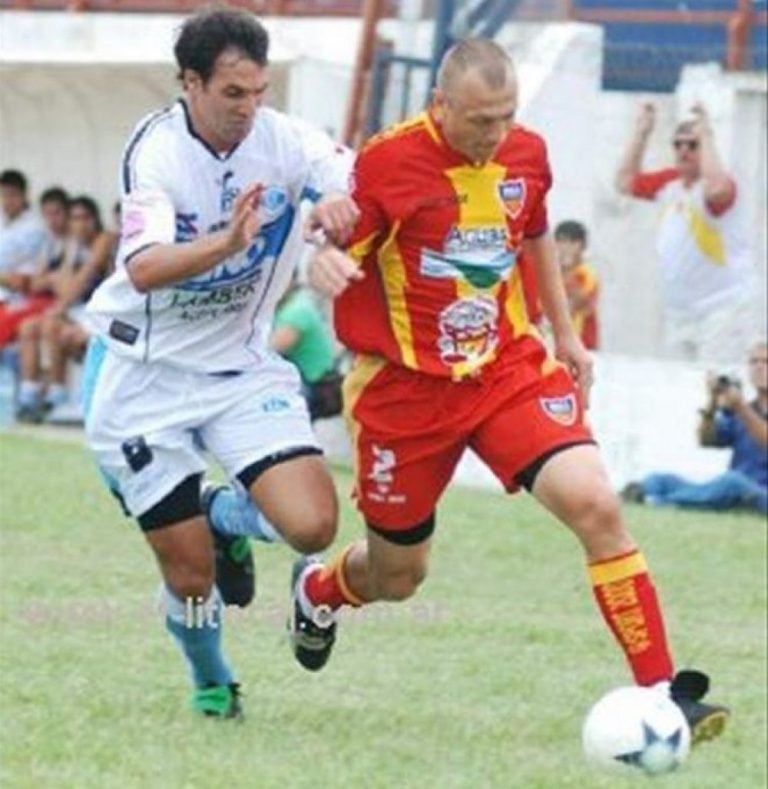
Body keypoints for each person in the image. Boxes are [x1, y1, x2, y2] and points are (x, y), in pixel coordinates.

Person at [294, 39, 728, 745]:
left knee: (596, 502)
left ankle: (662, 694)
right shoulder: (389, 160)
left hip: (505, 369)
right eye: (479, 121)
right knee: (399, 574)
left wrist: (568, 335)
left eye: (505, 117)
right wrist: (324, 263)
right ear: (441, 106)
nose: (495, 135)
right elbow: (341, 241)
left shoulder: (525, 153)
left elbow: (533, 237)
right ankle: (319, 591)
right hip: (404, 391)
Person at [81, 7, 357, 719]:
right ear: (192, 83)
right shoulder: (156, 151)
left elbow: (345, 178)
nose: (248, 109)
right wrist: (227, 244)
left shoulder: (285, 141)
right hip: (147, 380)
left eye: (259, 92)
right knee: (193, 577)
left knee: (314, 527)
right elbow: (143, 268)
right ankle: (212, 678)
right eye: (233, 93)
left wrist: (335, 208)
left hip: (240, 370)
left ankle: (226, 514)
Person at [615, 102, 755, 364]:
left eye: (692, 145)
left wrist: (708, 135)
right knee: (679, 387)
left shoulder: (717, 186)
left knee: (716, 383)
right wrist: (641, 133)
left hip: (722, 309)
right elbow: (624, 182)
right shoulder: (670, 184)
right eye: (678, 144)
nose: (683, 151)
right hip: (680, 313)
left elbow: (717, 189)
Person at [622, 341, 767, 514]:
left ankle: (660, 501)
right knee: (661, 479)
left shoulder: (742, 409)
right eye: (754, 362)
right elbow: (706, 440)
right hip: (731, 489)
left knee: (732, 482)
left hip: (758, 493)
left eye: (766, 362)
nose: (759, 367)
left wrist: (741, 407)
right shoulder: (743, 409)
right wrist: (712, 402)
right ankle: (642, 492)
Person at [16, 196, 113, 422]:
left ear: (95, 219)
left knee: (52, 325)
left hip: (99, 311)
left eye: (84, 218)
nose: (79, 224)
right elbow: (41, 283)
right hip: (79, 309)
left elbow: (78, 283)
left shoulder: (104, 240)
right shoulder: (70, 245)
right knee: (28, 327)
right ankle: (29, 395)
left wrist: (59, 302)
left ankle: (57, 394)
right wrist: (67, 259)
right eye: (74, 219)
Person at [0, 187, 72, 350]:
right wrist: (49, 280)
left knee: (9, 321)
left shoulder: (72, 241)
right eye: (47, 214)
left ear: (68, 212)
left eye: (57, 213)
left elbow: (64, 282)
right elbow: (36, 282)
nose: (52, 220)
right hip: (38, 296)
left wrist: (49, 280)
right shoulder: (50, 241)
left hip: (57, 302)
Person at [271, 278, 342, 421]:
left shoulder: (296, 310)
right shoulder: (293, 302)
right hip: (311, 379)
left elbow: (273, 349)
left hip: (315, 383)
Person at [0, 169, 46, 302]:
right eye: (3, 195)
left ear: (24, 195)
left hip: (15, 295)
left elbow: (17, 278)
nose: (7, 200)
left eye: (12, 195)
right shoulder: (2, 221)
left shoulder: (35, 227)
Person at [554, 220, 599, 350]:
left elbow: (577, 304)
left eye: (572, 242)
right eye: (561, 241)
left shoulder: (587, 274)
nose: (565, 247)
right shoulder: (548, 272)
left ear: (582, 246)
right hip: (555, 341)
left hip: (581, 342)